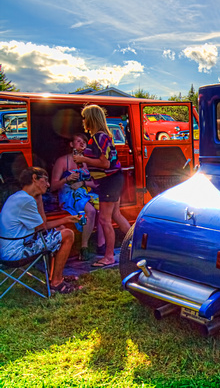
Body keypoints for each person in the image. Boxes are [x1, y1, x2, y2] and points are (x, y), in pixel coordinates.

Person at [0, 167, 80, 294]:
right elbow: (43, 226)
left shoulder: (18, 197)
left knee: (60, 230)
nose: (48, 185)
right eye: (45, 180)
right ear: (34, 178)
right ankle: (56, 283)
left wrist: (63, 221)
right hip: (15, 253)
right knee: (67, 234)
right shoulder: (26, 200)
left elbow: (41, 229)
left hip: (9, 248)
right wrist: (65, 219)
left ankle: (55, 277)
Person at [74, 105, 130, 268]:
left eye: (85, 117)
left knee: (105, 219)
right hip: (113, 179)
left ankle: (109, 256)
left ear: (91, 118)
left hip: (109, 181)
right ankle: (135, 245)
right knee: (116, 215)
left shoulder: (99, 137)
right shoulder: (101, 137)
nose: (83, 121)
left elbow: (104, 163)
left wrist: (83, 159)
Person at [51, 133, 104, 261]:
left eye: (84, 142)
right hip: (69, 195)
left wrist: (83, 183)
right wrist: (67, 179)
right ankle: (84, 247)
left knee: (104, 205)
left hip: (85, 192)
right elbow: (53, 186)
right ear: (71, 144)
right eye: (78, 141)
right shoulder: (62, 161)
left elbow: (96, 183)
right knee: (90, 211)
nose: (82, 144)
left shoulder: (87, 161)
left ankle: (102, 244)